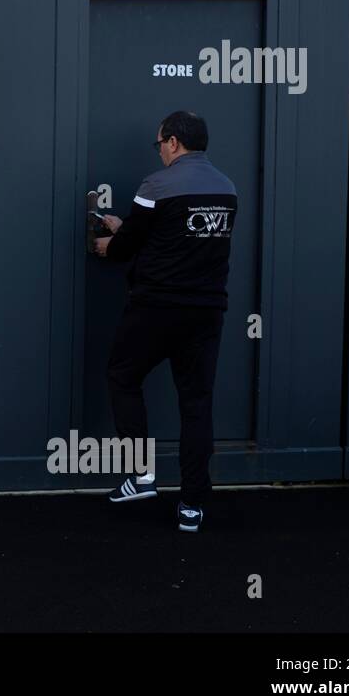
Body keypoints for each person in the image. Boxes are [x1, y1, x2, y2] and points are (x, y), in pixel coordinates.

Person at [93, 111, 237, 533]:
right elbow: (178, 238)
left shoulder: (157, 185)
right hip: (207, 312)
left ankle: (140, 476)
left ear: (173, 142)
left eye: (159, 143)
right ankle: (192, 505)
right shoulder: (227, 188)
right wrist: (129, 230)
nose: (158, 150)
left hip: (156, 308)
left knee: (122, 375)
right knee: (196, 404)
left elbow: (125, 249)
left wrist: (110, 242)